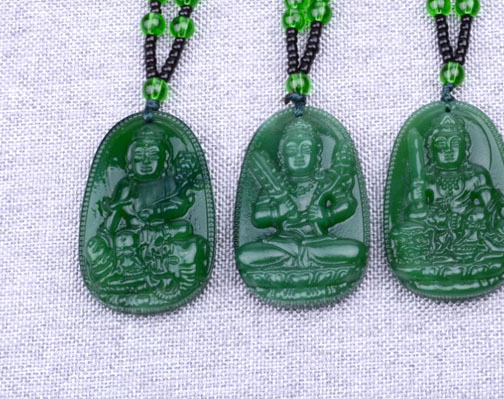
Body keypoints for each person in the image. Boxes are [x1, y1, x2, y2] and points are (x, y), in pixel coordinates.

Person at [84, 125, 207, 300]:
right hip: (133, 236)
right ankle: (128, 271)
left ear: (165, 159)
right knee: (121, 240)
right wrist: (103, 238)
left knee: (184, 227)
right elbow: (112, 219)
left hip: (161, 232)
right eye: (139, 157)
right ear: (130, 162)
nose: (146, 162)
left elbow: (179, 207)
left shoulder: (169, 183)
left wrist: (157, 211)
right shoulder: (126, 187)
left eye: (153, 156)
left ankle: (156, 270)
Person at [236, 119, 366, 280]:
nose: (299, 156)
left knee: (355, 250)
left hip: (318, 242)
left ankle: (294, 265)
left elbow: (347, 204)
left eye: (305, 149)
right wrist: (278, 212)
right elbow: (257, 218)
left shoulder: (325, 181)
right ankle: (304, 264)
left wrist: (327, 215)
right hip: (282, 243)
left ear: (317, 154)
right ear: (282, 156)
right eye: (292, 150)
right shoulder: (276, 185)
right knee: (245, 255)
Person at [391, 113, 504, 265]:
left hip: (470, 227)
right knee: (409, 224)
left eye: (455, 143)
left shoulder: (476, 175)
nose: (448, 150)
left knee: (486, 217)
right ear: (431, 150)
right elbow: (412, 213)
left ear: (466, 148)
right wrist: (418, 201)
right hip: (438, 226)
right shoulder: (427, 179)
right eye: (441, 144)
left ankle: (471, 249)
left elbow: (490, 207)